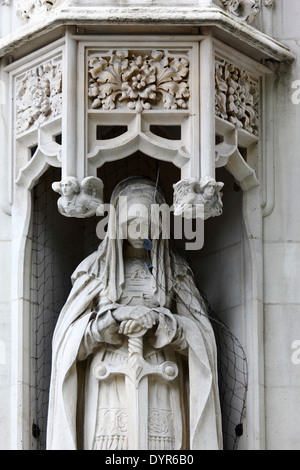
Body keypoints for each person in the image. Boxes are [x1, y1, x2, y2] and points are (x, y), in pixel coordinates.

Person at [46, 176, 223, 450]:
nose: (142, 231)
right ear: (117, 223)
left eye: (149, 224)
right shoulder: (95, 269)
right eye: (133, 223)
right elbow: (67, 340)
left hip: (163, 380)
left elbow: (202, 338)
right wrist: (112, 319)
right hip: (108, 382)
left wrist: (165, 323)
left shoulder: (175, 271)